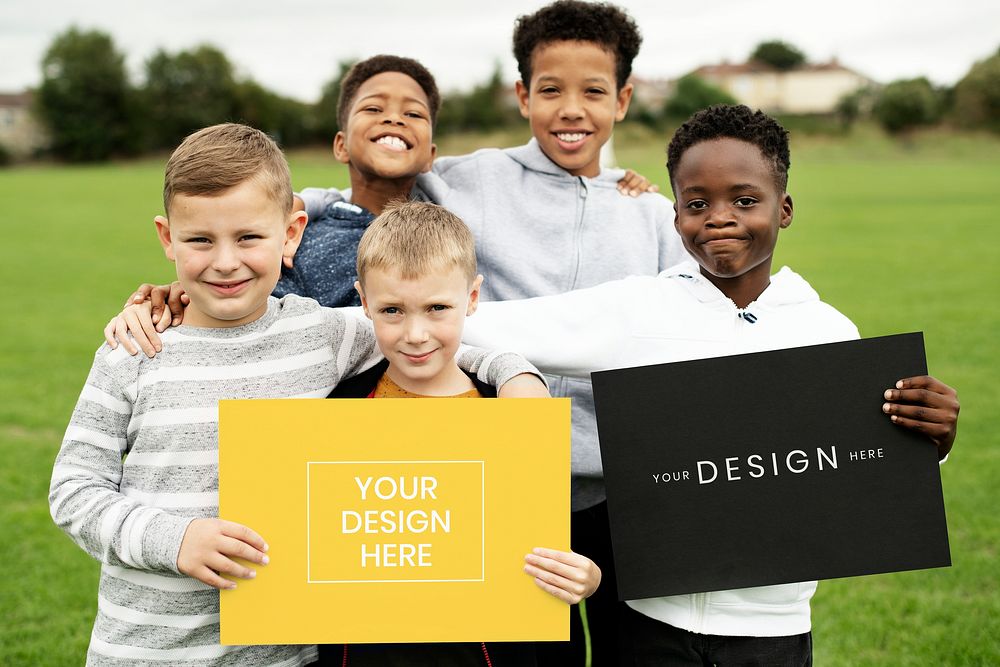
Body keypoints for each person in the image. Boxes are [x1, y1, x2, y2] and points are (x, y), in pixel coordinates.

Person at [460, 104, 961, 665]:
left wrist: (929, 442)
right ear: (676, 218)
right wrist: (363, 320)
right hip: (648, 624)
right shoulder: (636, 309)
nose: (720, 218)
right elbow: (465, 326)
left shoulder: (827, 332)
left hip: (774, 630)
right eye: (698, 204)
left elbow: (858, 464)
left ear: (784, 209)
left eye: (745, 201)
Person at [50, 123, 547, 666]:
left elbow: (420, 340)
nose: (224, 261)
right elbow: (74, 489)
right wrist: (175, 539)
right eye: (200, 240)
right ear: (168, 238)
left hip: (287, 655)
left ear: (291, 234)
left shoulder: (323, 334)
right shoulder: (134, 348)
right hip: (149, 651)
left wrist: (514, 374)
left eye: (248, 238)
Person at [317, 200, 600, 666]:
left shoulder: (513, 413)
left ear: (471, 298)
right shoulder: (335, 411)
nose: (415, 333)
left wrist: (582, 578)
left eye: (436, 308)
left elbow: (546, 549)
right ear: (363, 302)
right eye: (392, 310)